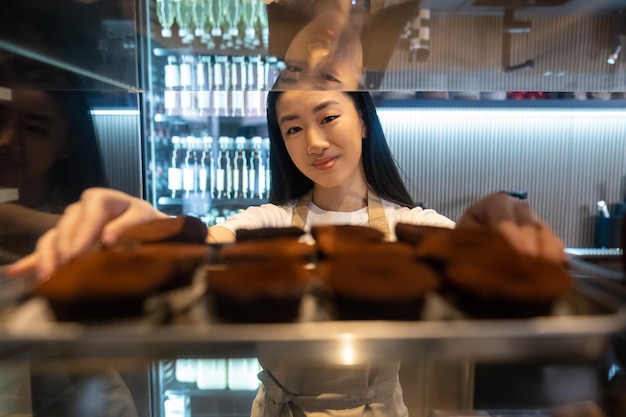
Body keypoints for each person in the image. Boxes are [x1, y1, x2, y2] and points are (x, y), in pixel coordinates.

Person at [6, 88, 566, 417]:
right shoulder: (270, 223)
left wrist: (493, 236)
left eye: (328, 117)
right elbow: (203, 240)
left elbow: (470, 258)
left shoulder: (409, 225)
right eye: (292, 128)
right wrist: (147, 225)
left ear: (364, 121)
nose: (314, 142)